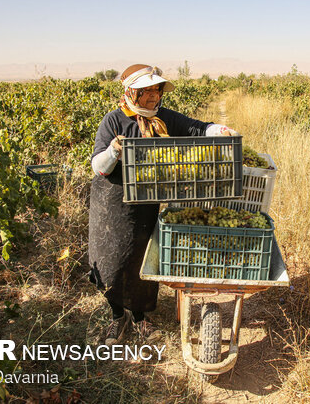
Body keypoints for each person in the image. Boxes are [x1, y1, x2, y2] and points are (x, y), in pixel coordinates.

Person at [88, 64, 238, 344]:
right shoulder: (113, 121)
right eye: (148, 92)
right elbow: (98, 166)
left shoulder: (164, 118)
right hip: (111, 203)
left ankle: (141, 317)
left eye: (157, 91)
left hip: (146, 203)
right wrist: (114, 150)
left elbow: (197, 128)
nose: (154, 97)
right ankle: (116, 317)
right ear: (132, 92)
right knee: (112, 263)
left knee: (141, 260)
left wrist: (221, 130)